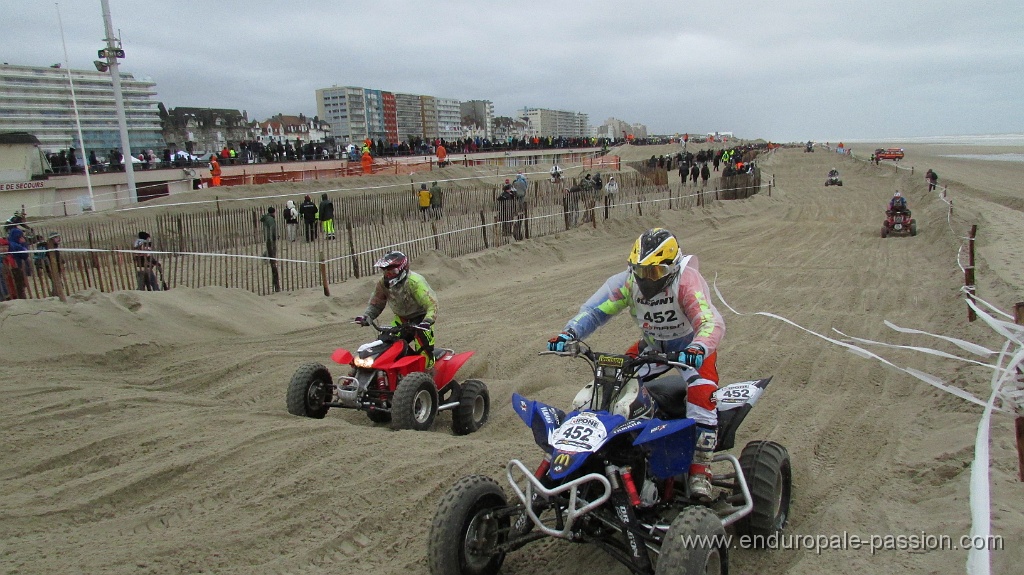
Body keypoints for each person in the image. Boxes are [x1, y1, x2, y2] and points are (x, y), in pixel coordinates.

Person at [547, 228, 725, 501]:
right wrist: (569, 334)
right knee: (610, 386)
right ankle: (609, 452)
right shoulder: (628, 283)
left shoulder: (687, 282)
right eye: (640, 271)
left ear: (673, 268)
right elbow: (596, 311)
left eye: (654, 273)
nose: (646, 279)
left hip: (690, 349)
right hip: (652, 347)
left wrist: (698, 347)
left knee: (702, 397)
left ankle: (701, 471)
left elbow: (709, 320)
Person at [354, 251, 438, 367]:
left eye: (392, 271)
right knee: (385, 344)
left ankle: (428, 376)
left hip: (421, 319)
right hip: (401, 319)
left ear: (403, 269)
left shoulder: (415, 282)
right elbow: (376, 303)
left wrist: (428, 320)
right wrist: (367, 316)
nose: (388, 274)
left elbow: (431, 304)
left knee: (424, 352)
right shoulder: (382, 283)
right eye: (385, 270)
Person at [6, 227, 31, 299]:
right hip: (17, 267)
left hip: (11, 266)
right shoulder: (16, 245)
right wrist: (24, 244)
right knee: (19, 285)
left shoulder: (10, 243)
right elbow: (25, 254)